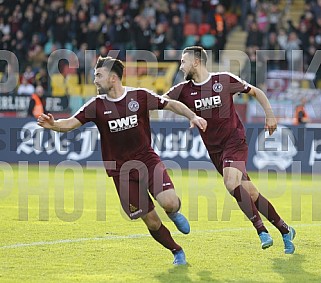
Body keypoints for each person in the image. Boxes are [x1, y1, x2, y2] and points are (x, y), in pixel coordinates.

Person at [37, 56, 208, 265]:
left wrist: (192, 116)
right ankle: (177, 251)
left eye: (98, 75)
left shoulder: (139, 96)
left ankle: (173, 213)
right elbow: (70, 123)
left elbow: (170, 104)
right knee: (152, 222)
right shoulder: (96, 105)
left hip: (147, 161)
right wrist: (54, 125)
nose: (95, 80)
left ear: (113, 78)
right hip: (121, 171)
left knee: (170, 203)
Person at [163, 46, 296, 254]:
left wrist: (269, 115)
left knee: (230, 182)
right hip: (215, 151)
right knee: (250, 193)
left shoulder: (223, 80)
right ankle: (285, 230)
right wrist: (189, 115)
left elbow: (256, 92)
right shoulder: (183, 90)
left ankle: (261, 231)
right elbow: (161, 102)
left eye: (183, 61)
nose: (181, 66)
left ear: (196, 62)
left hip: (235, 141)